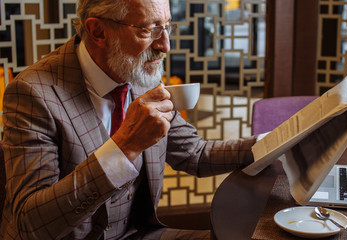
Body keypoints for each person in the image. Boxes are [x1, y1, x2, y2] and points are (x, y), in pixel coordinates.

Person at [0, 0, 258, 239]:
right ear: (98, 31)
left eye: (167, 27)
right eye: (149, 30)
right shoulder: (33, 92)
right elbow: (30, 224)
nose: (165, 45)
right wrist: (126, 146)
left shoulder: (141, 72)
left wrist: (273, 142)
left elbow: (195, 154)